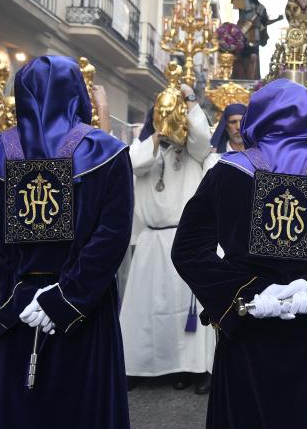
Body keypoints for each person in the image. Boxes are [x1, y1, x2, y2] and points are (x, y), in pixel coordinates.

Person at [172, 79, 307, 428]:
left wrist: (245, 291)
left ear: (254, 121)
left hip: (247, 327)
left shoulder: (226, 174)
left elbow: (188, 250)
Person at [0, 56, 133, 428]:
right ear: (77, 94)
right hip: (82, 311)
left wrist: (8, 299)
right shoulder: (107, 153)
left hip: (14, 309)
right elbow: (111, 236)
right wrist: (67, 298)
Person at [120, 84, 214, 394]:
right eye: (161, 114)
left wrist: (189, 102)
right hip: (151, 241)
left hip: (182, 239)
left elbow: (203, 138)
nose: (167, 118)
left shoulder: (193, 152)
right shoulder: (146, 147)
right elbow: (131, 164)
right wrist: (157, 139)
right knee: (143, 309)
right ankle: (137, 367)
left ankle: (186, 368)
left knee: (180, 308)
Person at [232, 0, 284, 80]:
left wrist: (277, 20)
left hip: (254, 36)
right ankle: (240, 79)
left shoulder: (262, 8)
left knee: (253, 57)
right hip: (242, 35)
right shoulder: (243, 1)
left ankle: (251, 81)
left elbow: (265, 22)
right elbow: (233, 0)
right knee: (240, 59)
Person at [203, 103, 247, 172]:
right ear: (225, 126)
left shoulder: (259, 157)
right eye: (233, 122)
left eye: (242, 122)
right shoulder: (214, 160)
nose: (238, 127)